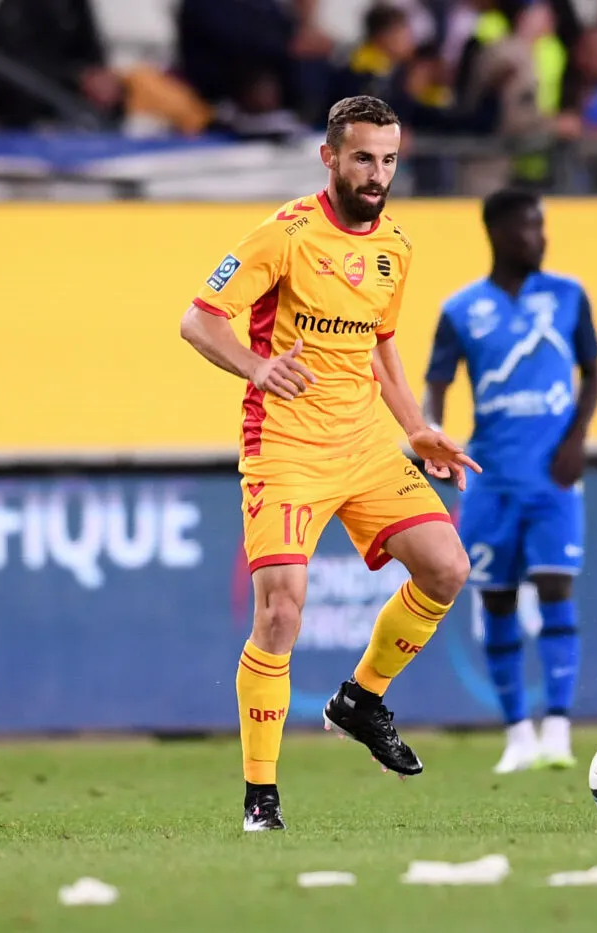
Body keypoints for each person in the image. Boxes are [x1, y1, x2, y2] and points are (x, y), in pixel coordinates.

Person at [179, 95, 479, 833]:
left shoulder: (395, 248)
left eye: (389, 160)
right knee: (281, 611)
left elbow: (380, 343)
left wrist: (417, 427)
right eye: (363, 158)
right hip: (285, 447)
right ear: (330, 158)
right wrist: (257, 366)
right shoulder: (283, 236)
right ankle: (261, 798)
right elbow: (198, 321)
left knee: (447, 568)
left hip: (365, 444)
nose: (377, 174)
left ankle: (361, 700)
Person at [422, 188, 597, 774]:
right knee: (495, 596)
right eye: (528, 227)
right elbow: (437, 383)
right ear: (498, 233)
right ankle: (517, 734)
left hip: (553, 477)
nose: (539, 238)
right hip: (491, 478)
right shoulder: (461, 309)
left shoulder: (569, 295)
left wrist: (576, 441)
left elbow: (593, 374)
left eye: (541, 227)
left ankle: (559, 729)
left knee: (555, 588)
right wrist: (434, 437)